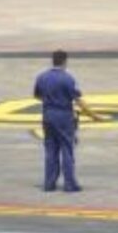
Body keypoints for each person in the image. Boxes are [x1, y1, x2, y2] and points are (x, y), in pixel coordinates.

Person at [33, 50, 103, 192]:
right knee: (67, 149)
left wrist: (50, 101)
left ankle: (49, 183)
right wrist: (93, 116)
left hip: (48, 115)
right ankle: (70, 184)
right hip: (63, 116)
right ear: (65, 61)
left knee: (50, 150)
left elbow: (37, 96)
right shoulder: (68, 79)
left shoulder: (41, 77)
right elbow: (78, 100)